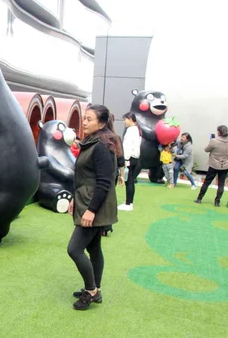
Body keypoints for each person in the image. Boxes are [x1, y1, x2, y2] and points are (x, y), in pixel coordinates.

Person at [67, 104, 119, 310]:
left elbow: (105, 182)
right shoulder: (92, 142)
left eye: (89, 119)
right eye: (84, 118)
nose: (85, 122)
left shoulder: (101, 146)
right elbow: (84, 177)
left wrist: (91, 210)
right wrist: (74, 198)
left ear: (103, 123)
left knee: (74, 249)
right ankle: (95, 288)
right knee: (94, 247)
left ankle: (91, 290)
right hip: (87, 200)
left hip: (94, 205)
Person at [195, 125, 228, 206]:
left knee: (207, 182)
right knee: (221, 184)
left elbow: (206, 149)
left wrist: (211, 141)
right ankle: (217, 202)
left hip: (214, 165)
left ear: (219, 132)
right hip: (225, 165)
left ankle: (199, 198)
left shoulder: (214, 141)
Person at [118, 112, 141, 211]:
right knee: (130, 180)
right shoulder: (136, 130)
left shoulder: (131, 130)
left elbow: (127, 146)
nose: (124, 122)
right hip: (134, 158)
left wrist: (126, 159)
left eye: (125, 119)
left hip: (129, 158)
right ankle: (129, 202)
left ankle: (128, 203)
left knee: (129, 180)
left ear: (130, 119)